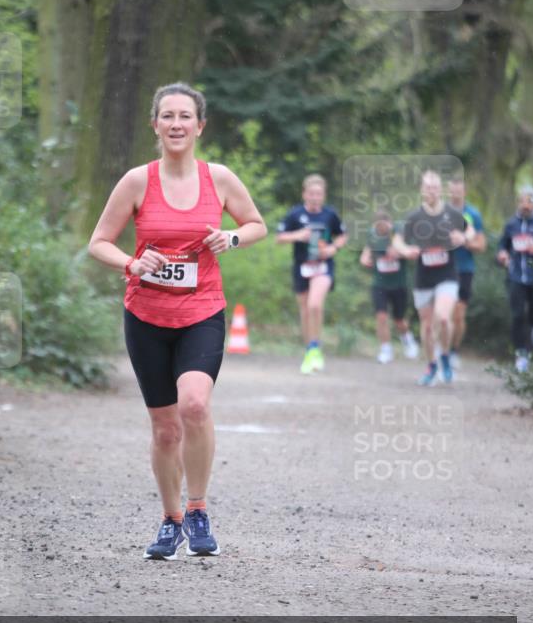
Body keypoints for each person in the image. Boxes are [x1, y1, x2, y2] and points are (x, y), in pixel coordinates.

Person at [88, 82, 267, 560]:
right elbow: (98, 242)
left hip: (201, 313)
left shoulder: (219, 179)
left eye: (185, 116)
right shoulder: (136, 181)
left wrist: (230, 238)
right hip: (146, 316)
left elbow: (256, 225)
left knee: (194, 406)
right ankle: (170, 521)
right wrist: (132, 263)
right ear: (155, 125)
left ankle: (197, 509)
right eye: (167, 116)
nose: (176, 124)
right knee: (165, 428)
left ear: (200, 126)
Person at [393, 170, 473, 386]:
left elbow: (471, 231)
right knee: (427, 326)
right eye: (428, 187)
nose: (432, 191)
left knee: (444, 318)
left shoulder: (452, 213)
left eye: (435, 187)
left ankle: (445, 355)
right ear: (421, 190)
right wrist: (405, 250)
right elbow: (397, 240)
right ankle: (431, 365)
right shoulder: (414, 217)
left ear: (441, 190)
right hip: (423, 278)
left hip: (447, 275)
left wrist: (463, 237)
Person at [276, 174, 347, 373]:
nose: (315, 197)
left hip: (323, 266)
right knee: (305, 310)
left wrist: (333, 248)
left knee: (314, 304)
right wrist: (298, 235)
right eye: (312, 193)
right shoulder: (295, 214)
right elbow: (279, 238)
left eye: (319, 194)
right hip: (302, 267)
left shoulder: (330, 215)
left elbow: (343, 236)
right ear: (304, 194)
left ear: (323, 196)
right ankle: (310, 350)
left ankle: (315, 347)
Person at [359, 210, 419, 363]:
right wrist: (365, 259)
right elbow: (366, 253)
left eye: (384, 227)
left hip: (398, 284)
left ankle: (407, 339)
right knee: (381, 317)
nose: (382, 230)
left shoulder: (398, 234)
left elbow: (411, 252)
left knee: (399, 320)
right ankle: (385, 349)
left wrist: (399, 253)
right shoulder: (372, 235)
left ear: (389, 224)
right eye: (379, 227)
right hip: (380, 284)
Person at [447, 178, 487, 369]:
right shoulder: (441, 212)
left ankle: (453, 351)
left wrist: (464, 241)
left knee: (458, 315)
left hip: (464, 269)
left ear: (464, 191)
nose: (455, 193)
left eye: (459, 190)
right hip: (442, 269)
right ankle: (441, 350)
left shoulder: (473, 214)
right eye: (452, 190)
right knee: (443, 314)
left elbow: (481, 245)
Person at [497, 186, 533, 373]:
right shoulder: (511, 225)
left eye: (529, 201)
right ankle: (520, 354)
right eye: (522, 201)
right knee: (517, 315)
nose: (525, 205)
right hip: (515, 277)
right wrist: (502, 255)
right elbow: (502, 246)